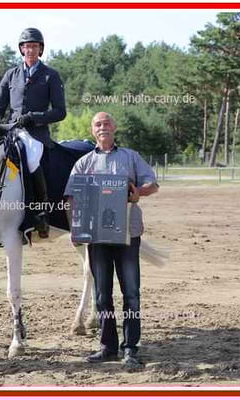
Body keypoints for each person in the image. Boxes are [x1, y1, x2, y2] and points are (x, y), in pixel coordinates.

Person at [64, 112, 158, 367]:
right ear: (92, 130)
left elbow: (153, 184)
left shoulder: (131, 157)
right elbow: (71, 197)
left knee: (131, 293)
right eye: (98, 124)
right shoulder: (83, 163)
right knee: (102, 295)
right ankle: (108, 347)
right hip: (97, 237)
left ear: (114, 127)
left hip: (127, 234)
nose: (103, 127)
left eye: (106, 123)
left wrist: (139, 192)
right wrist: (75, 228)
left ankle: (130, 348)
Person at [0, 27, 66, 238]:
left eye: (34, 46)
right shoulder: (11, 75)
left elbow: (60, 112)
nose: (30, 50)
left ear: (40, 49)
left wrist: (34, 117)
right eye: (27, 47)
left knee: (32, 160)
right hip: (12, 132)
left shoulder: (51, 76)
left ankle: (41, 212)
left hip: (36, 134)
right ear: (21, 49)